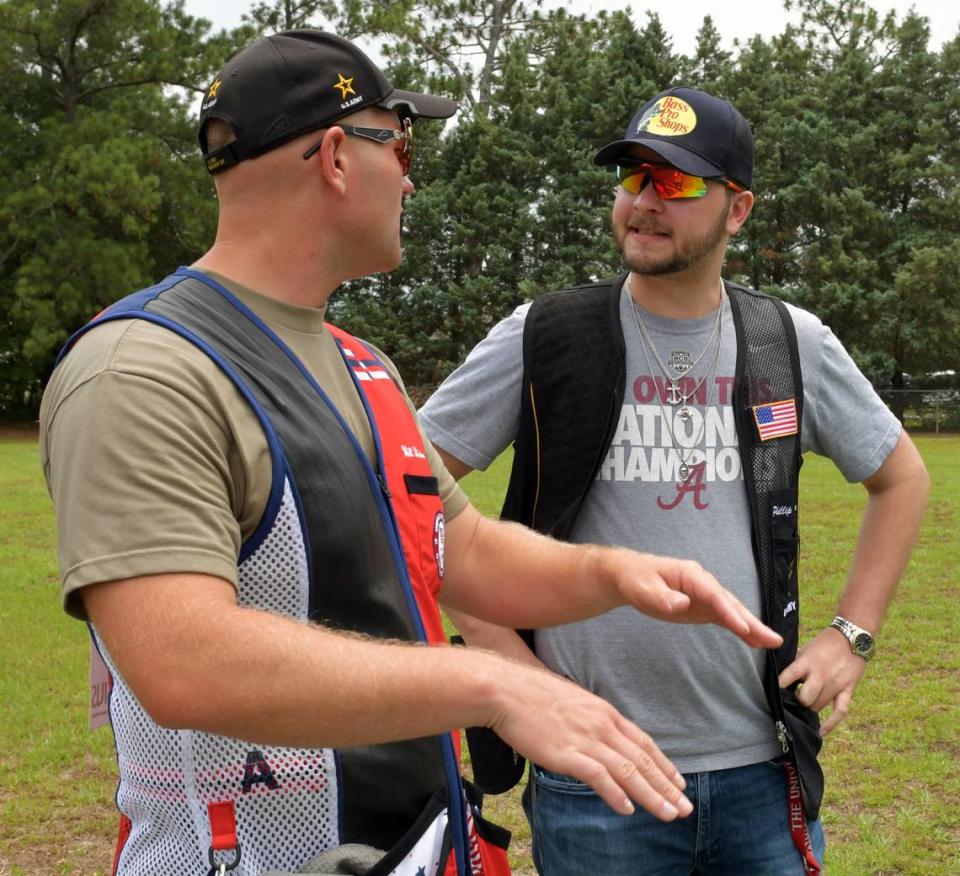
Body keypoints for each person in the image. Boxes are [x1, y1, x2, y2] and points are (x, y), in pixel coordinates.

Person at [38, 36, 781, 876]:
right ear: (334, 159)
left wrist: (614, 576)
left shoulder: (361, 365)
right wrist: (495, 687)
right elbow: (181, 660)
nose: (411, 175)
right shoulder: (143, 369)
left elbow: (455, 551)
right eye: (399, 144)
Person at [420, 86, 930, 875]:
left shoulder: (787, 341)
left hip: (762, 767)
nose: (646, 202)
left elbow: (902, 479)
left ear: (739, 209)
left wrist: (852, 635)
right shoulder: (544, 334)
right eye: (633, 177)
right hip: (597, 777)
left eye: (679, 183)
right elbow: (407, 491)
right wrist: (509, 674)